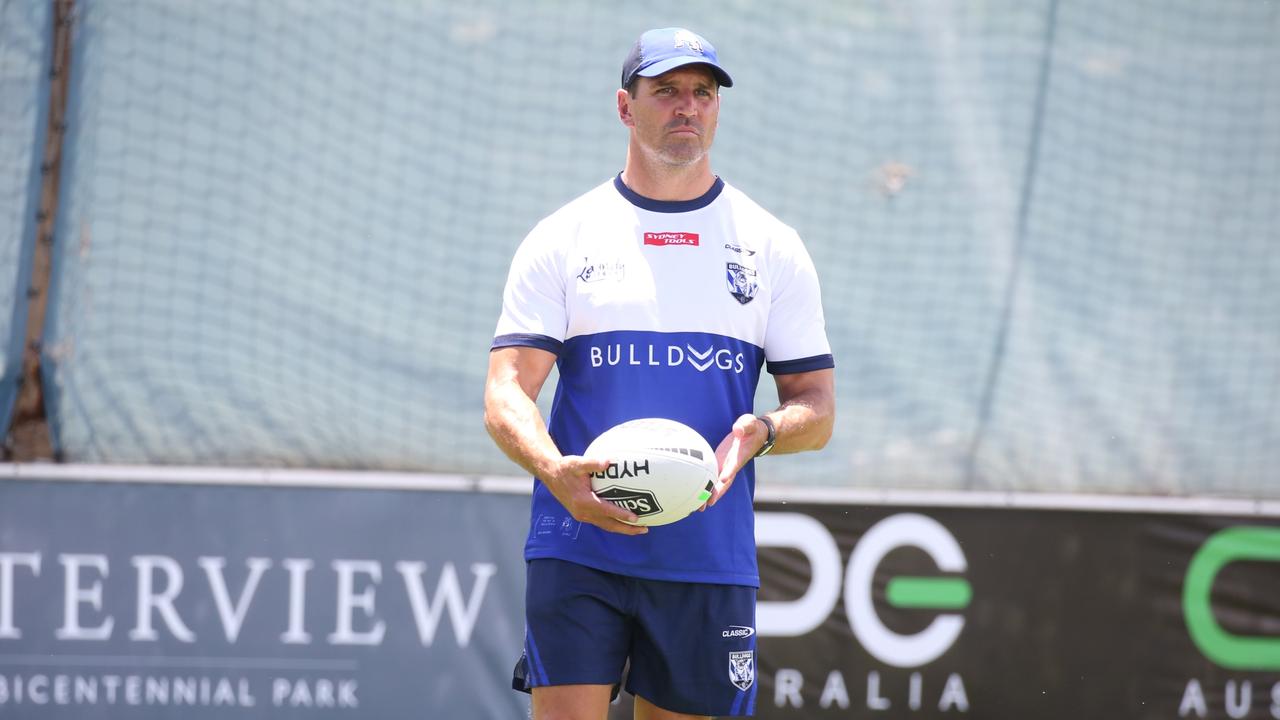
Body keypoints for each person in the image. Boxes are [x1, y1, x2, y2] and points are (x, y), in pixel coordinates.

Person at [484, 27, 835, 720]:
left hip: (705, 556)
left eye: (703, 93)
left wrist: (762, 430)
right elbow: (506, 392)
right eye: (667, 90)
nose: (688, 107)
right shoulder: (565, 237)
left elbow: (817, 408)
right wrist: (558, 474)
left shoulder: (772, 248)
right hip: (579, 543)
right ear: (625, 107)